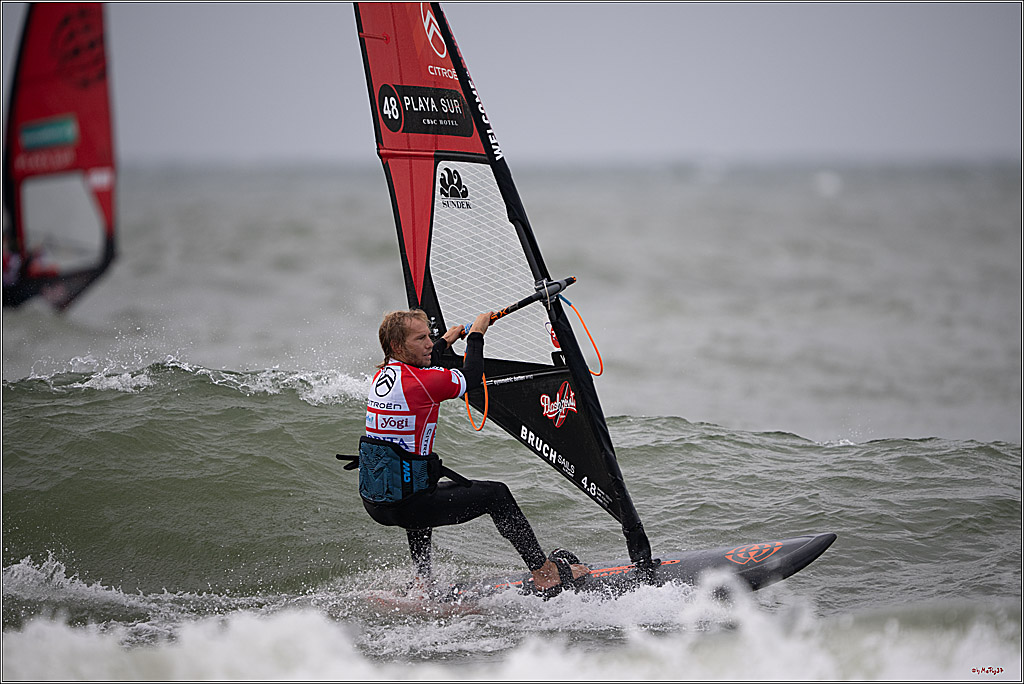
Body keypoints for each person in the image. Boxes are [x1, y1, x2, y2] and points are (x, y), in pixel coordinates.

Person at [359, 308, 589, 598]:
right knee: (497, 495)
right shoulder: (424, 382)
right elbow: (471, 377)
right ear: (397, 346)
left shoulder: (384, 375)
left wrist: (445, 340)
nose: (429, 343)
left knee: (417, 489)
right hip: (408, 505)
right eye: (421, 338)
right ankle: (544, 572)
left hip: (379, 502)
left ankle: (422, 581)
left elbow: (424, 367)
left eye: (429, 336)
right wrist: (478, 334)